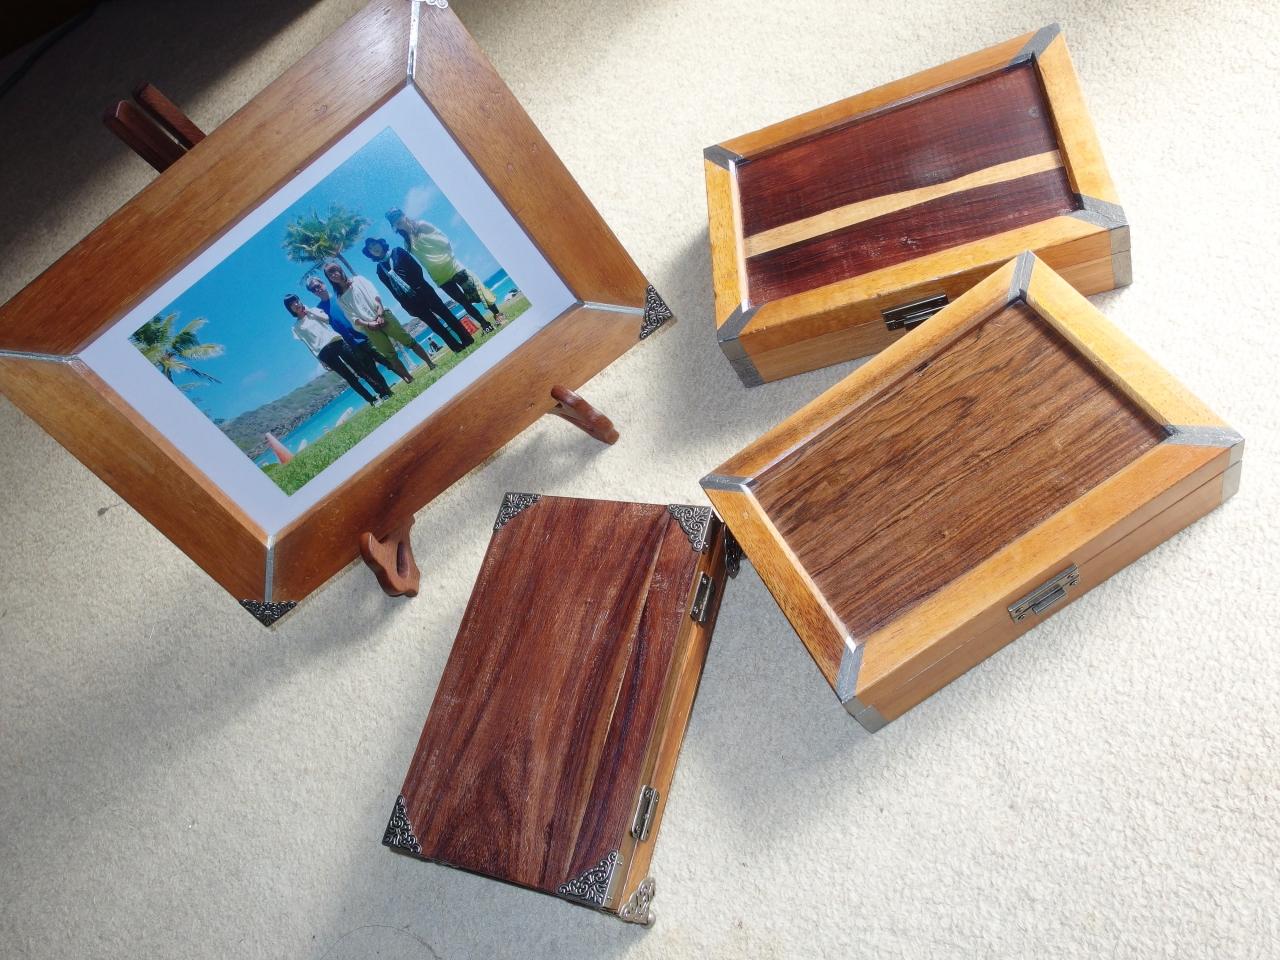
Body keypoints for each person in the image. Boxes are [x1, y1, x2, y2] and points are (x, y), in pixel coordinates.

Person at [386, 208, 504, 334]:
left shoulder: (421, 225)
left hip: (453, 267)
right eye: (395, 222)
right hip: (440, 277)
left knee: (478, 292)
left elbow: (443, 240)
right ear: (395, 227)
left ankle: (499, 316)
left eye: (398, 218)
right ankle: (485, 325)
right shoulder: (407, 243)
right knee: (464, 302)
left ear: (404, 215)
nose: (398, 222)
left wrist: (444, 259)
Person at [361, 236, 474, 353]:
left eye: (374, 244)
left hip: (424, 291)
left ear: (380, 244)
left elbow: (417, 268)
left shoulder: (398, 252)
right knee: (435, 326)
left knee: (446, 315)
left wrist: (417, 286)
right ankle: (456, 347)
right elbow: (393, 291)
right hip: (411, 303)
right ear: (370, 253)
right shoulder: (380, 270)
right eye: (370, 248)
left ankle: (467, 339)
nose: (373, 249)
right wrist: (407, 307)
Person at [322, 262, 434, 377]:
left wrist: (380, 314)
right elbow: (352, 317)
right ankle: (410, 378)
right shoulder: (340, 298)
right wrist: (369, 324)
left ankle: (430, 364)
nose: (333, 275)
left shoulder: (359, 280)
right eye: (329, 274)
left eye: (334, 270)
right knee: (390, 355)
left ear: (340, 270)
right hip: (369, 327)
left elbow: (375, 294)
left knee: (408, 341)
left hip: (384, 315)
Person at [283, 294, 390, 407]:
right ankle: (372, 400)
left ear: (300, 301)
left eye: (296, 301)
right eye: (291, 304)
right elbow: (308, 344)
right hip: (323, 353)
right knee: (350, 378)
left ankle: (382, 392)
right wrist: (320, 361)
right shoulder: (296, 327)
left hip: (337, 342)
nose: (295, 305)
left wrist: (309, 311)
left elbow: (327, 319)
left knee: (360, 369)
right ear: (290, 309)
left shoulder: (313, 311)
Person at [304, 275, 401, 392]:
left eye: (318, 286)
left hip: (365, 333)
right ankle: (387, 392)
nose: (317, 289)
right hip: (349, 344)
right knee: (371, 370)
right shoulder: (318, 310)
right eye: (313, 289)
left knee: (386, 359)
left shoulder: (340, 295)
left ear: (323, 284)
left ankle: (405, 376)